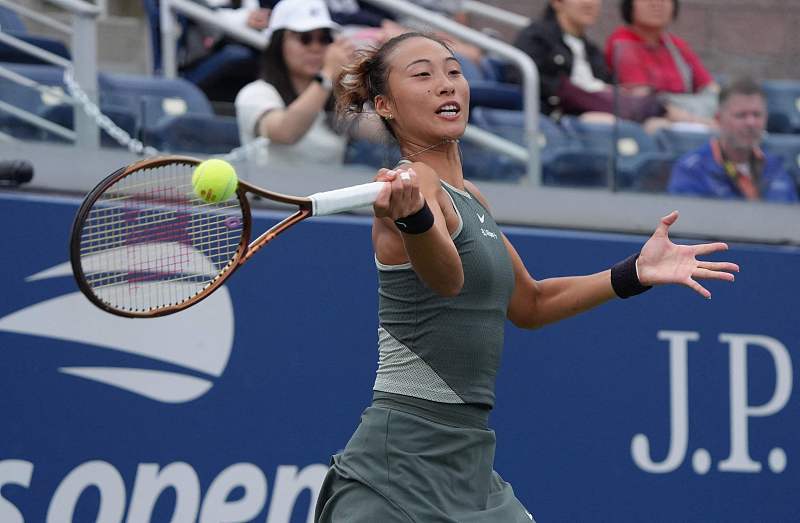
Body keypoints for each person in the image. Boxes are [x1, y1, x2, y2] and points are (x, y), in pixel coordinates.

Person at [313, 31, 739, 522]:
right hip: (397, 463)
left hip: (469, 462)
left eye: (453, 71)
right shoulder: (413, 187)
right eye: (423, 75)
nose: (446, 85)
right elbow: (446, 279)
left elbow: (530, 304)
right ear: (385, 104)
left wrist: (634, 273)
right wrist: (414, 219)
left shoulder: (470, 196)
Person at [234, 0, 355, 166]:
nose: (316, 47)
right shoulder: (256, 92)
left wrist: (364, 78)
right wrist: (327, 75)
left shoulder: (337, 93)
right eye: (305, 39)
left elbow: (374, 129)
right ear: (278, 44)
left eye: (324, 39)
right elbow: (285, 133)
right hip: (269, 191)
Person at [508, 0, 664, 123]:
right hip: (559, 119)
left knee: (657, 124)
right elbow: (521, 78)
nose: (589, 3)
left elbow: (609, 83)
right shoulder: (536, 37)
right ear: (557, 2)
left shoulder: (592, 50)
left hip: (602, 114)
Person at [668, 77, 799, 203]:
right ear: (719, 119)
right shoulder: (692, 171)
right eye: (741, 115)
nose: (751, 123)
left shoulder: (778, 169)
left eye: (757, 115)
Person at [605, 0, 718, 127]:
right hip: (650, 121)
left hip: (692, 116)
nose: (657, 4)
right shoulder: (622, 42)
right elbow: (643, 98)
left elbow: (710, 87)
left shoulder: (676, 46)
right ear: (630, 4)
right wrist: (694, 120)